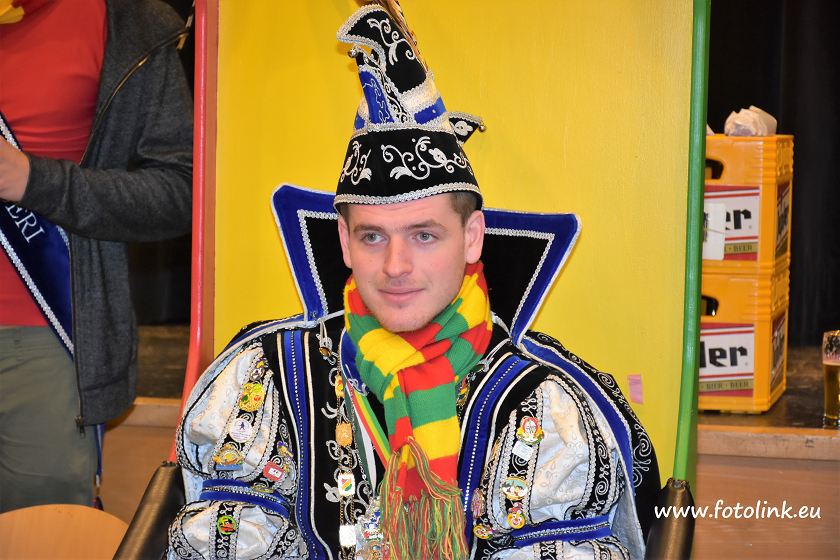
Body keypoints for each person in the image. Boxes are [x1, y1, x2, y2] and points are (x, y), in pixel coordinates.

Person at [167, 4, 658, 559]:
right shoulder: (274, 377)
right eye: (373, 236)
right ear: (344, 242)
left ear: (472, 238)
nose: (395, 265)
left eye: (424, 235)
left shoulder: (539, 403)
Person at [0, 0, 192, 512]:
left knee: (41, 535)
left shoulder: (127, 23)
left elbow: (180, 191)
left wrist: (33, 181)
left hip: (43, 338)